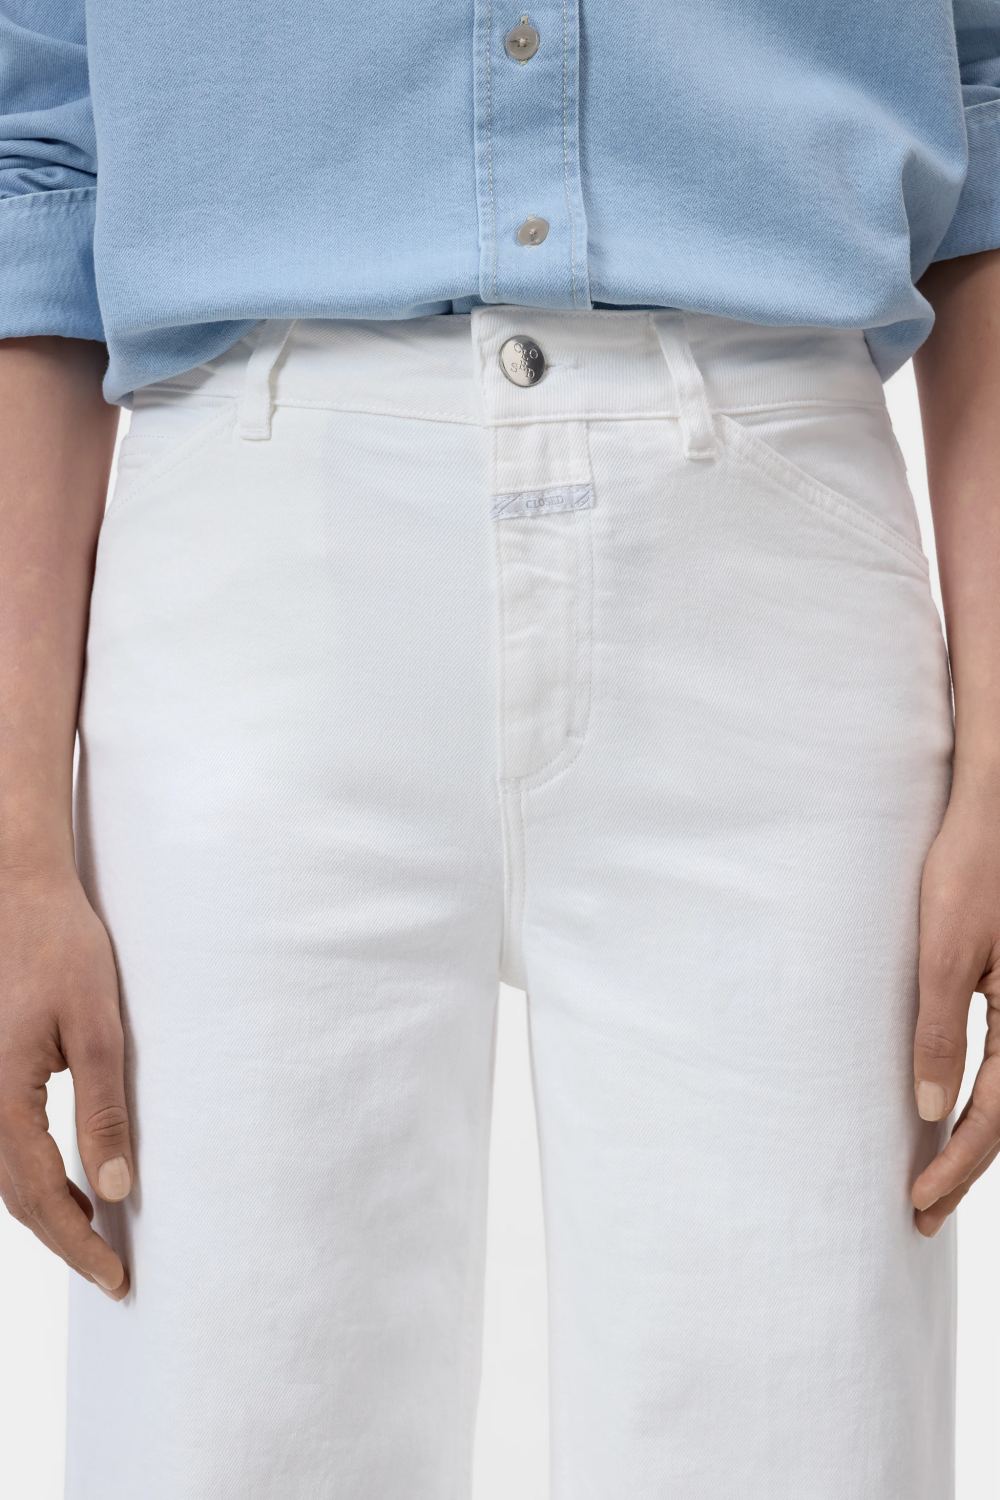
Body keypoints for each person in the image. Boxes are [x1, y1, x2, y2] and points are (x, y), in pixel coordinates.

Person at [0, 2, 998, 1496]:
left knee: (806, 1437)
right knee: (222, 1445)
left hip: (774, 563)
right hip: (255, 579)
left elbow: (987, 98)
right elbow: (38, 147)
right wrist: (14, 836)